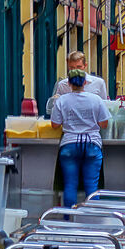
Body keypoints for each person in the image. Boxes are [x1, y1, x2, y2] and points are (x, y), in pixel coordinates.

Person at [48, 71, 112, 205]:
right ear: (85, 82)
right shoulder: (96, 99)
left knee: (70, 184)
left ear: (69, 83)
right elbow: (104, 124)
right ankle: (91, 213)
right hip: (92, 144)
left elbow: (54, 125)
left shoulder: (61, 100)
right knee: (92, 185)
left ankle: (68, 215)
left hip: (69, 144)